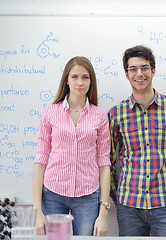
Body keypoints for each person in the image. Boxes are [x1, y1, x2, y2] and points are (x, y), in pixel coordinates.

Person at [108, 45, 166, 236]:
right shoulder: (116, 113)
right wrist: (117, 195)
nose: (139, 73)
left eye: (144, 68)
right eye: (133, 69)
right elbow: (109, 160)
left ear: (153, 71)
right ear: (126, 74)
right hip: (129, 205)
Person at [33, 56, 111, 236]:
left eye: (85, 77)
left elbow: (104, 163)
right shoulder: (49, 113)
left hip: (88, 195)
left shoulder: (100, 116)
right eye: (75, 77)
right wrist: (37, 212)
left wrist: (104, 211)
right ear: (66, 80)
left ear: (91, 81)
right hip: (53, 193)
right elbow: (40, 161)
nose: (80, 82)